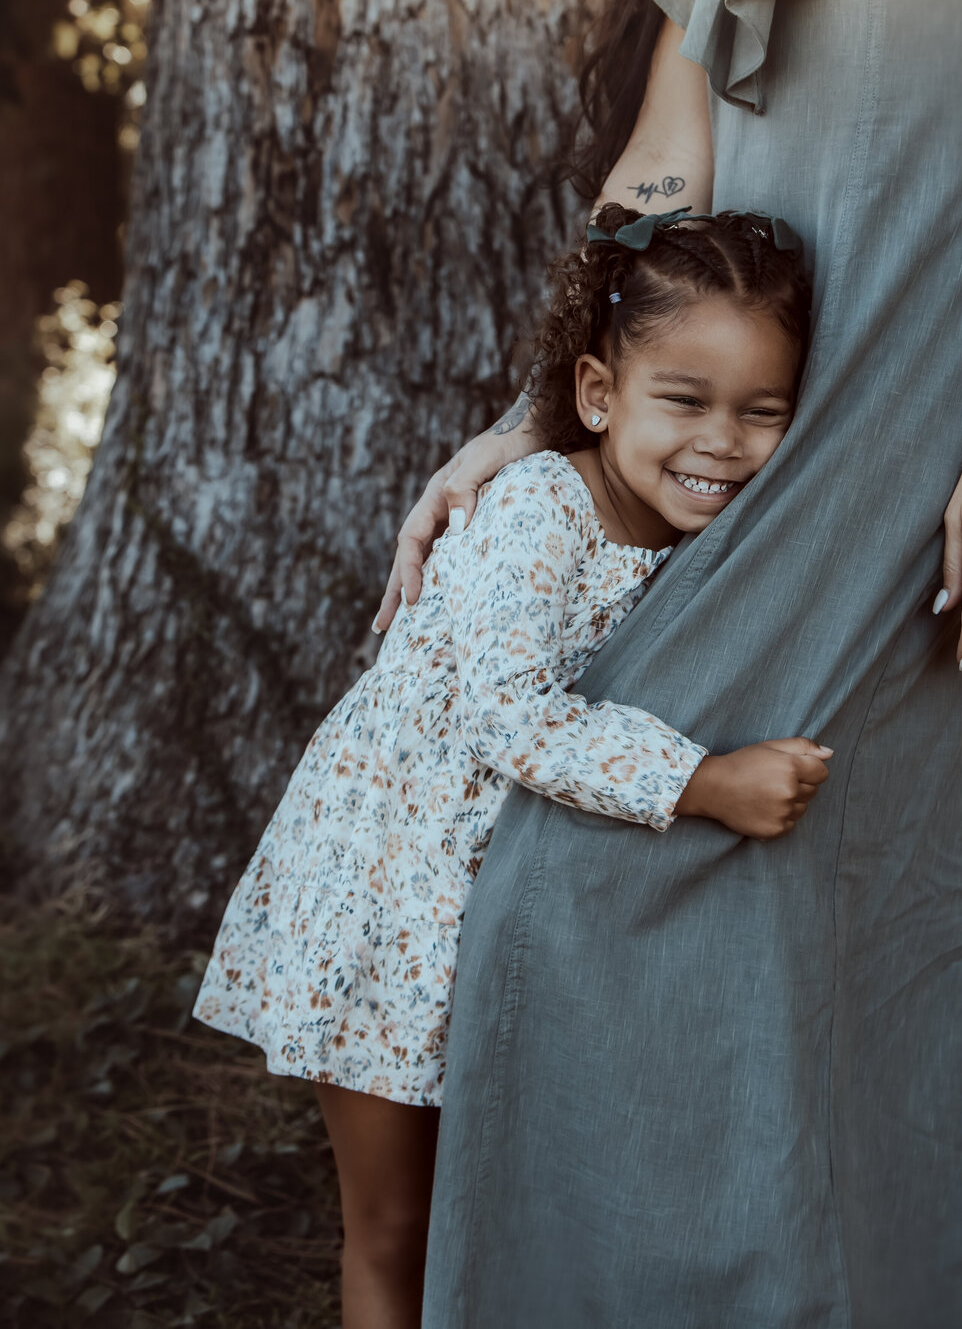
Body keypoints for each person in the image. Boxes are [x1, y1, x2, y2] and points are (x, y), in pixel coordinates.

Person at [381, 0, 962, 1323]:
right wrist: (531, 418)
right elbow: (671, 164)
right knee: (587, 887)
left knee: (913, 925)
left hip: (926, 456)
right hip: (748, 455)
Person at [192, 204, 831, 1329]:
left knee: (491, 1206)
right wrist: (707, 783)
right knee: (397, 1225)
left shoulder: (696, 547)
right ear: (596, 395)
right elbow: (508, 714)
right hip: (391, 904)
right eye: (683, 401)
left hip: (505, 913)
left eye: (760, 411)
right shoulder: (543, 508)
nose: (722, 441)